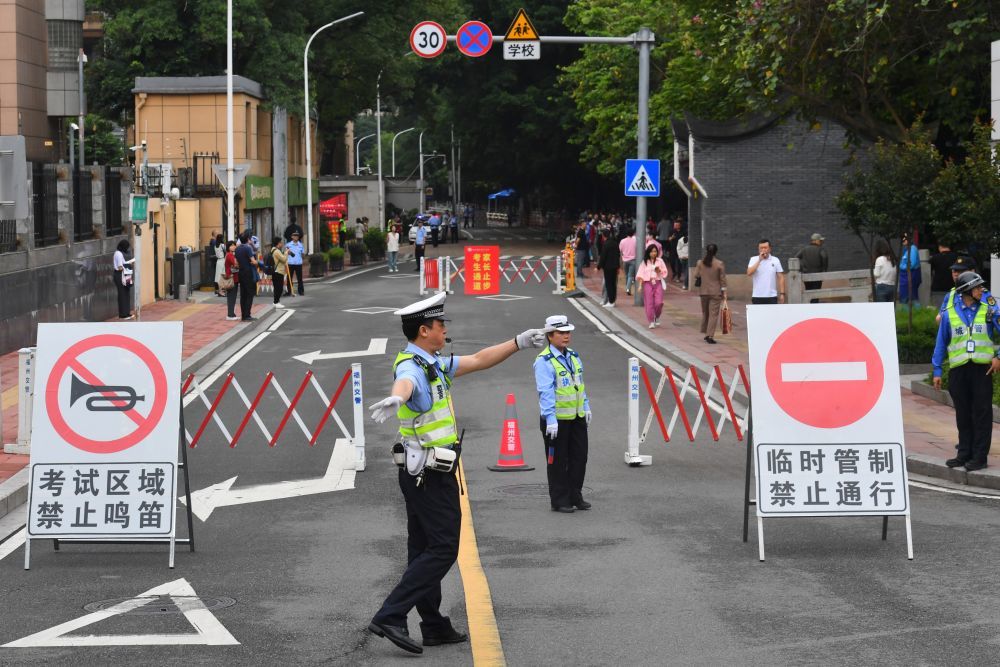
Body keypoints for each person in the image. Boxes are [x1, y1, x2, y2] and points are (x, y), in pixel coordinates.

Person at [366, 293, 545, 654]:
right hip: (429, 476)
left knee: (423, 549)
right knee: (445, 547)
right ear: (423, 330)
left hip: (423, 472)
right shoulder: (412, 367)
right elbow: (406, 383)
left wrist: (518, 342)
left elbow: (478, 360)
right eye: (440, 324)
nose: (445, 329)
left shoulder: (432, 362)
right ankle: (390, 615)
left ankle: (432, 625)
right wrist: (398, 398)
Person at [931, 272, 1000, 472]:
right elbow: (941, 342)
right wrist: (936, 370)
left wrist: (998, 356)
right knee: (963, 414)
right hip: (958, 371)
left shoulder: (989, 310)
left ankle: (979, 457)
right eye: (977, 287)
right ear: (966, 291)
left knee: (982, 414)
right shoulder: (950, 312)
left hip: (982, 370)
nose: (981, 290)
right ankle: (964, 453)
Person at [534, 315, 591, 513]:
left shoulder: (573, 356)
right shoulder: (544, 361)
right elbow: (545, 391)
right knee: (557, 460)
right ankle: (559, 500)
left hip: (576, 417)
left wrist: (586, 405)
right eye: (561, 333)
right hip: (556, 421)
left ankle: (576, 495)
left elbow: (580, 385)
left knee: (579, 457)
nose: (566, 336)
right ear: (550, 336)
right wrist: (550, 419)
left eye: (568, 332)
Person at [694, 244, 727, 344]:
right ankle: (710, 335)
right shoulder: (719, 263)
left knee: (705, 313)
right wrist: (724, 292)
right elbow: (723, 280)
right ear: (716, 252)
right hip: (715, 292)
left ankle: (705, 332)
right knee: (713, 314)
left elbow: (696, 275)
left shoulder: (700, 263)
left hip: (703, 291)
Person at [636, 244, 668, 328]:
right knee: (649, 303)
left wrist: (659, 270)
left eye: (655, 251)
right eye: (652, 251)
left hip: (658, 282)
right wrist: (640, 285)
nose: (654, 253)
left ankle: (656, 316)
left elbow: (665, 272)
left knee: (659, 302)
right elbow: (641, 274)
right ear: (648, 252)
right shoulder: (645, 262)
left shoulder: (660, 261)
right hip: (647, 283)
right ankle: (651, 321)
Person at [747, 239, 785, 304]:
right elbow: (749, 273)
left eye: (765, 248)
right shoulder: (753, 259)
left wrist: (782, 294)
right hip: (757, 296)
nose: (763, 250)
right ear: (758, 249)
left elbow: (781, 277)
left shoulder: (775, 260)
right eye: (761, 248)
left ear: (770, 249)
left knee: (772, 314)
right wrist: (759, 260)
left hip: (771, 296)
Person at [795, 233, 829, 303]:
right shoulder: (820, 249)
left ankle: (810, 307)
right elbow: (824, 257)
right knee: (816, 293)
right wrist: (824, 270)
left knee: (808, 291)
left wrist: (801, 268)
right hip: (818, 275)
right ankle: (815, 307)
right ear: (816, 241)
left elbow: (795, 258)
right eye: (820, 240)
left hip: (806, 275)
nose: (822, 242)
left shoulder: (804, 249)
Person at [235, 232, 259, 321]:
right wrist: (257, 262)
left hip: (241, 272)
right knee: (250, 294)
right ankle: (247, 315)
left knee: (243, 294)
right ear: (248, 239)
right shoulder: (248, 248)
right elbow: (253, 261)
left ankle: (243, 315)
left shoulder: (237, 249)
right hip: (248, 272)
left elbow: (236, 264)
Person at [112, 239, 135, 320]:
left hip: (125, 275)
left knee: (126, 293)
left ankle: (127, 313)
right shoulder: (118, 254)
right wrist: (129, 264)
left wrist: (128, 263)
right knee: (122, 294)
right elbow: (120, 267)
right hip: (120, 275)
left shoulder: (120, 253)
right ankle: (123, 314)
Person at [597, 229, 621, 308]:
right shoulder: (615, 243)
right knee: (613, 284)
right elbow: (618, 255)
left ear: (603, 236)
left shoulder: (606, 244)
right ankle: (613, 301)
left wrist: (599, 266)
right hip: (615, 266)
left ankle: (610, 301)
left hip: (608, 267)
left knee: (609, 284)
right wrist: (618, 266)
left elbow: (603, 257)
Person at [898, 233, 921, 306]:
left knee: (912, 297)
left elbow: (912, 263)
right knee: (907, 298)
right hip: (906, 277)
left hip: (910, 276)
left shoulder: (912, 248)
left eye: (904, 239)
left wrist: (901, 266)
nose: (903, 241)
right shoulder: (907, 249)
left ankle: (918, 313)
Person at [872, 238, 896, 303]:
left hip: (882, 286)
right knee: (890, 309)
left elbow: (876, 274)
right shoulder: (892, 258)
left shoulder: (879, 259)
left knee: (882, 309)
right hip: (892, 286)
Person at [270, 237, 288, 309]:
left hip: (275, 271)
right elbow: (283, 259)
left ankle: (276, 301)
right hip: (278, 271)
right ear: (278, 243)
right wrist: (286, 253)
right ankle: (276, 302)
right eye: (281, 242)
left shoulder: (273, 250)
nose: (282, 244)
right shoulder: (277, 251)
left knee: (277, 287)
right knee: (279, 288)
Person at [223, 240, 240, 321]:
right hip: (231, 279)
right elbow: (236, 265)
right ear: (229, 247)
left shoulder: (231, 255)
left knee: (232, 297)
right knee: (231, 297)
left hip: (233, 278)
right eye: (232, 245)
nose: (234, 247)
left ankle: (232, 314)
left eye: (235, 245)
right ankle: (230, 315)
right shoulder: (230, 255)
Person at [619, 226, 637, 296]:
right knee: (630, 276)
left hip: (625, 260)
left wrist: (621, 261)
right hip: (633, 260)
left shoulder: (622, 241)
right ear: (633, 233)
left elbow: (620, 251)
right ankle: (627, 289)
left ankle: (627, 287)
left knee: (627, 275)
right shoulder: (635, 240)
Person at [285, 231, 304, 296]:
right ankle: (289, 291)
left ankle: (301, 291)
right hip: (290, 263)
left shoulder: (300, 245)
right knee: (289, 278)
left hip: (298, 264)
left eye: (297, 236)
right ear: (292, 237)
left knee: (300, 278)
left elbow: (302, 253)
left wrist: (301, 260)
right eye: (294, 236)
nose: (296, 237)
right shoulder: (288, 245)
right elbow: (285, 254)